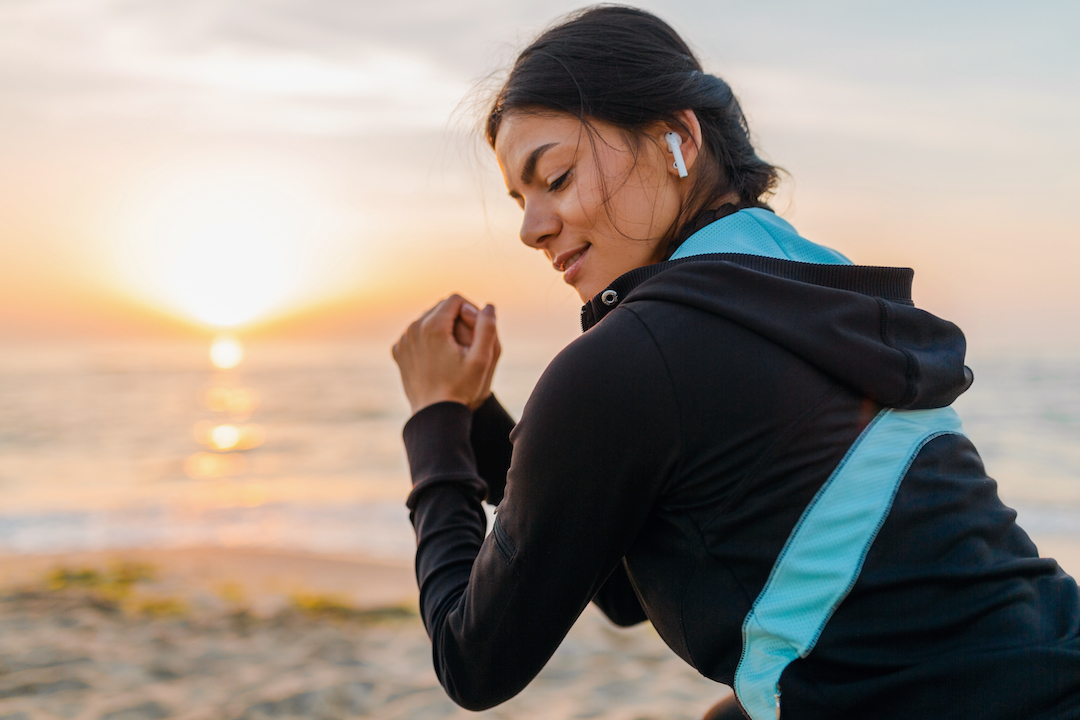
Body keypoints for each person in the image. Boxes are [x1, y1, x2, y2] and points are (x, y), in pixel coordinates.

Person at [391, 6, 1080, 719]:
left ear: (675, 139)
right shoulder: (811, 287)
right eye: (519, 198)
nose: (531, 228)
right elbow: (629, 583)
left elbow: (470, 660)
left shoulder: (631, 358)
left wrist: (435, 421)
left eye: (556, 177)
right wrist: (476, 416)